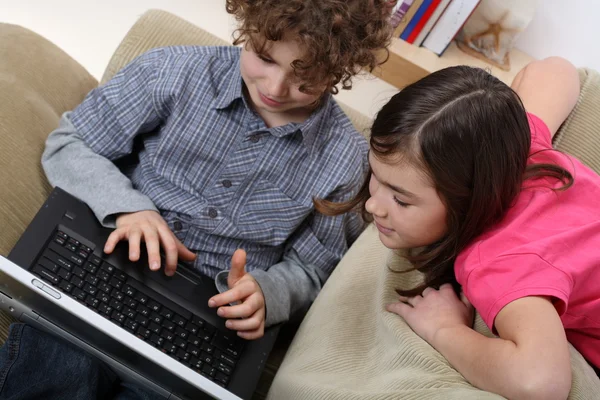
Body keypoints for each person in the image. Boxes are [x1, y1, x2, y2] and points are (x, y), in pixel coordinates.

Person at [41, 0, 395, 341]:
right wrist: (128, 209)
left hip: (213, 314)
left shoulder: (346, 160)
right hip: (111, 263)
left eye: (307, 76)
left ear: (340, 70)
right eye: (265, 58)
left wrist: (270, 294)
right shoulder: (171, 71)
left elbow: (315, 267)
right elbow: (70, 144)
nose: (275, 88)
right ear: (247, 27)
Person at [317, 57, 600, 400]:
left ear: (468, 200)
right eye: (377, 175)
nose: (373, 205)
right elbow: (555, 69)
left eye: (402, 201)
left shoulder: (500, 259)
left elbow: (540, 383)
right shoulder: (517, 147)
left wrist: (444, 329)